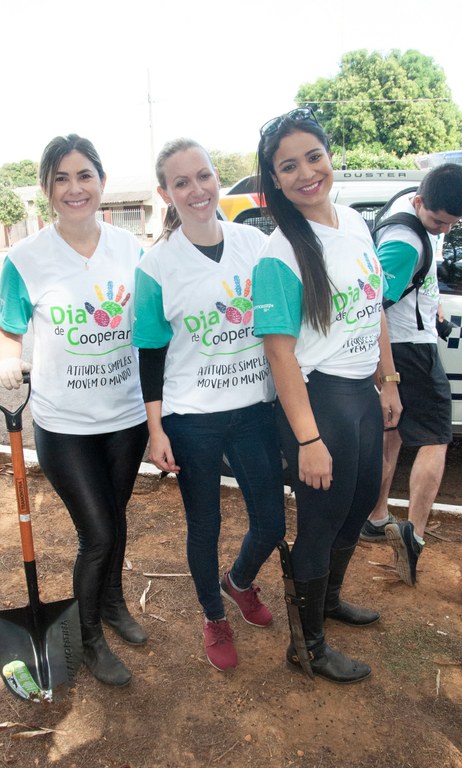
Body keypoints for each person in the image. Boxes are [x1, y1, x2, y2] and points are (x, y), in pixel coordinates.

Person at [0, 134, 149, 687]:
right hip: (65, 424)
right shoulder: (25, 258)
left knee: (115, 517)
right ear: (47, 189)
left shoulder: (132, 250)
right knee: (98, 532)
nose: (74, 188)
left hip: (126, 416)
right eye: (61, 178)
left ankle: (114, 602)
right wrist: (5, 360)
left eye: (84, 175)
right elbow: (8, 329)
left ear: (101, 181)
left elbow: (154, 323)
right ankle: (90, 636)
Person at [252, 108, 402, 683]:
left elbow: (373, 304)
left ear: (329, 155)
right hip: (319, 401)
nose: (306, 173)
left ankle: (329, 602)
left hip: (360, 394)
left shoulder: (356, 224)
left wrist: (388, 379)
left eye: (313, 157)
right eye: (288, 166)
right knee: (321, 520)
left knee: (358, 503)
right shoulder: (280, 253)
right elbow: (280, 354)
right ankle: (307, 645)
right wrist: (309, 440)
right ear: (275, 179)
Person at [133, 138, 286, 672]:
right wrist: (156, 430)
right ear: (165, 194)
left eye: (203, 176)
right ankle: (213, 616)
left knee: (271, 522)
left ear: (217, 176)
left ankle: (238, 581)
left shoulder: (255, 244)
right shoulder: (156, 265)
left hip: (254, 409)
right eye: (181, 182)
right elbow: (150, 354)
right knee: (205, 525)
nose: (196, 190)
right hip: (190, 417)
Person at [360, 164, 462, 586]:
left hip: (404, 340)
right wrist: (388, 378)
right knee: (437, 437)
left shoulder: (407, 201)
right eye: (438, 222)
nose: (443, 231)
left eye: (452, 224)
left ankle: (375, 517)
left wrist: (429, 302)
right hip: (409, 349)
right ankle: (414, 534)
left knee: (393, 433)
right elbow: (371, 306)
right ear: (419, 202)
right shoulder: (405, 243)